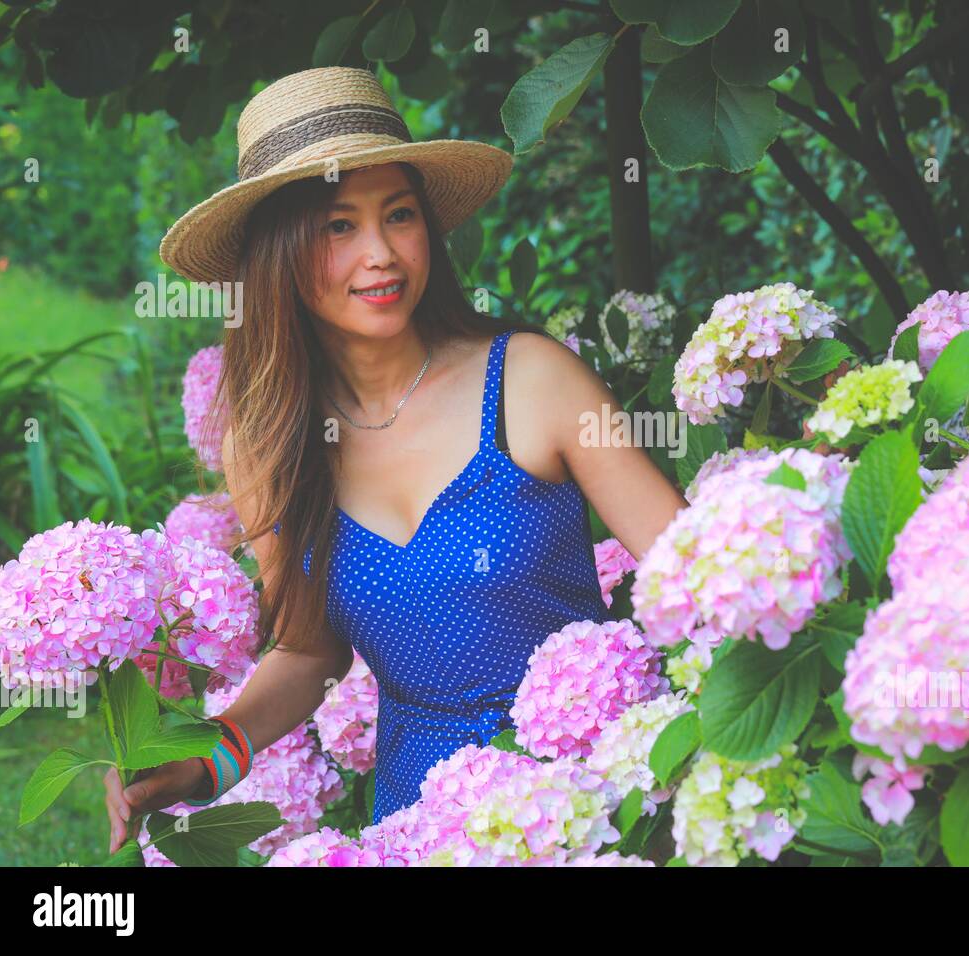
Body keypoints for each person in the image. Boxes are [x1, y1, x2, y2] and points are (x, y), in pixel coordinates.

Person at [105, 66, 687, 855]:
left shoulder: (531, 379)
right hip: (419, 818)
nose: (380, 254)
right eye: (339, 226)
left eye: (400, 215)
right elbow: (309, 650)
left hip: (599, 799)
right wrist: (210, 757)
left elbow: (693, 568)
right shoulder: (268, 441)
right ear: (279, 253)